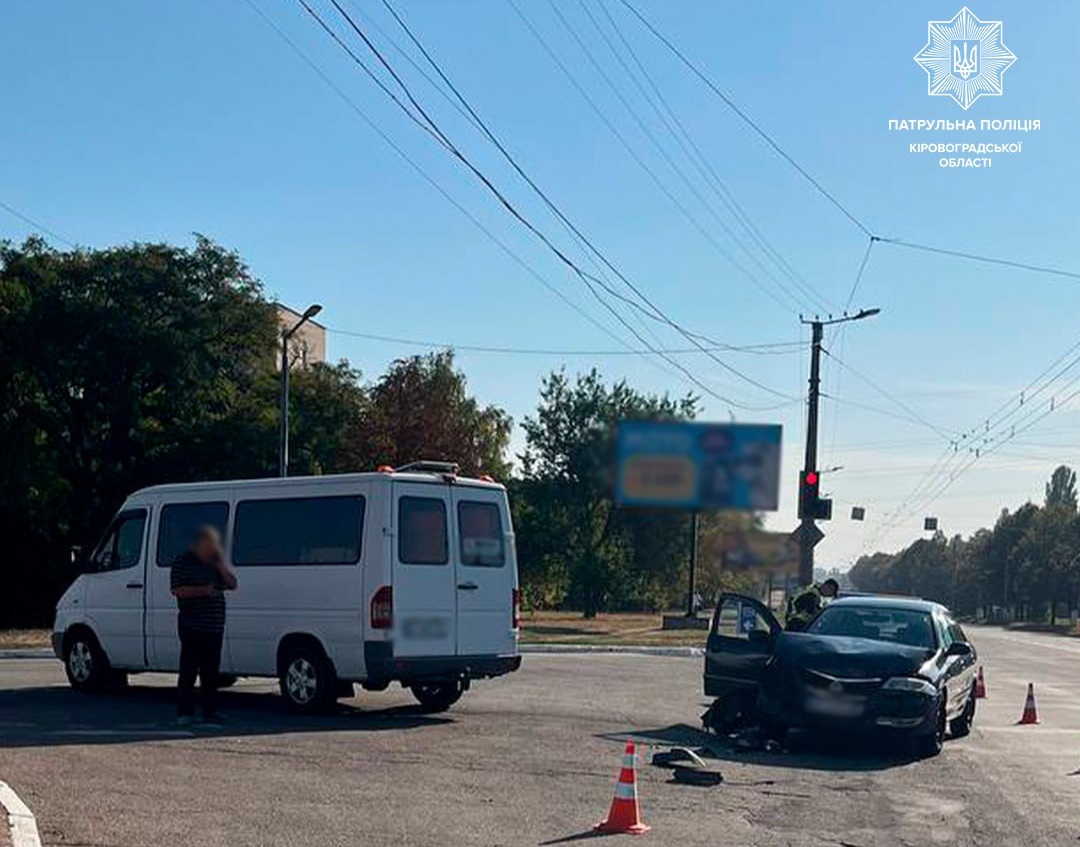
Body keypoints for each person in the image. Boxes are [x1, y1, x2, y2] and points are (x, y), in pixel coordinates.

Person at [170, 526, 237, 725]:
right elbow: (177, 590)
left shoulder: (214, 563)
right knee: (189, 670)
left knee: (211, 672)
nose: (212, 548)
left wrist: (220, 565)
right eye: (209, 544)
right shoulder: (183, 562)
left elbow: (232, 584)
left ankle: (210, 711)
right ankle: (185, 712)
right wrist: (203, 590)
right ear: (199, 543)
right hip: (192, 624)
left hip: (214, 626)